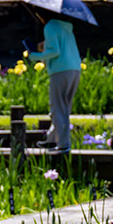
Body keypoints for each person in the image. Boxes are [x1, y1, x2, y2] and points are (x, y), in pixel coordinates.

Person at [27, 11, 80, 154]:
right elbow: (59, 47)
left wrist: (35, 56)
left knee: (57, 106)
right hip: (75, 69)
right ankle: (52, 138)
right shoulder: (66, 26)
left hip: (60, 70)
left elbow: (55, 52)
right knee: (64, 108)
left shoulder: (50, 26)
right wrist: (44, 47)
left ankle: (63, 144)